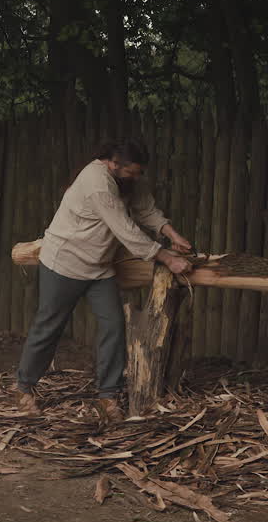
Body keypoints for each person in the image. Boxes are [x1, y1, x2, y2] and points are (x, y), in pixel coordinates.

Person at [14, 138, 193, 423]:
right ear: (113, 163)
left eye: (139, 172)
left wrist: (172, 235)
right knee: (49, 326)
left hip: (99, 267)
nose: (136, 178)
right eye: (131, 172)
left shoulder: (129, 179)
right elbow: (125, 229)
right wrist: (167, 258)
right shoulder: (96, 182)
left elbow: (146, 210)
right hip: (65, 263)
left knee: (113, 326)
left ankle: (108, 396)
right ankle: (24, 389)